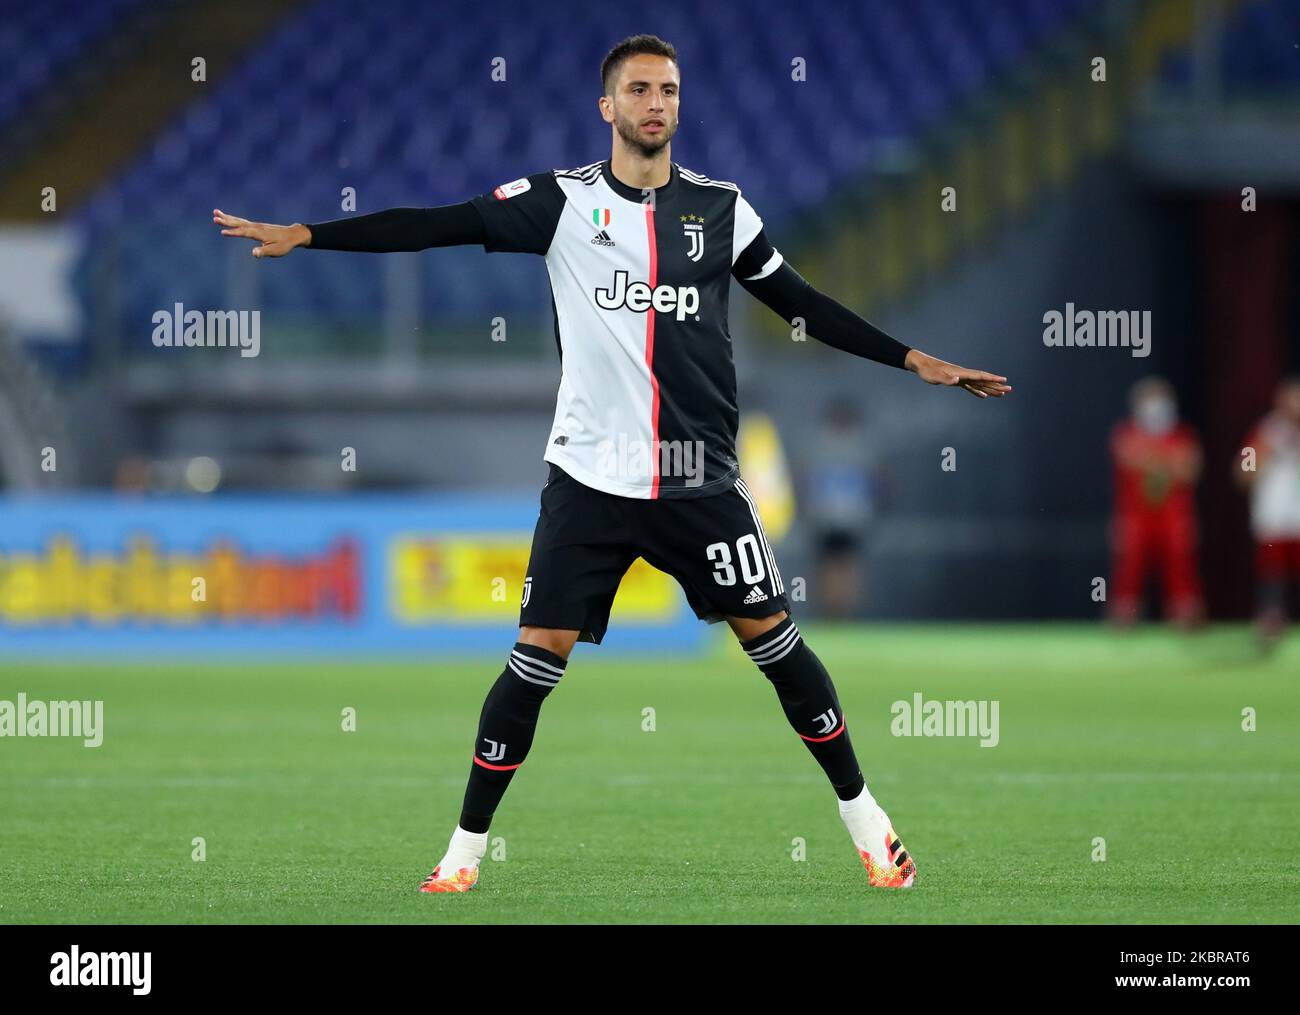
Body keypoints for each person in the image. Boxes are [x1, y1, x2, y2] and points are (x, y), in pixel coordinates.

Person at [213, 34, 1010, 893]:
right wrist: (308, 233)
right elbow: (438, 224)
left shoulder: (722, 210)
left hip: (699, 478)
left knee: (778, 649)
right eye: (639, 89)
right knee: (531, 662)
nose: (656, 103)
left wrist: (912, 359)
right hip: (590, 480)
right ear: (608, 107)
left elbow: (803, 304)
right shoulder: (560, 203)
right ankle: (463, 853)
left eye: (668, 89)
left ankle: (869, 822)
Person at [1108, 377, 1204, 627]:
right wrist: (1168, 459)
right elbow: (1127, 456)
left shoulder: (1182, 434)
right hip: (1135, 514)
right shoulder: (1126, 432)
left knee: (1180, 564)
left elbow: (1190, 469)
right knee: (1130, 565)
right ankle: (1125, 615)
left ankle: (1184, 614)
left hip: (1174, 513)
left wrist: (1152, 455)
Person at [1236, 378, 1300, 647]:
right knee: (1272, 572)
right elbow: (1243, 471)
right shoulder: (1265, 432)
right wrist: (1263, 454)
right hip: (1273, 516)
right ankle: (1271, 621)